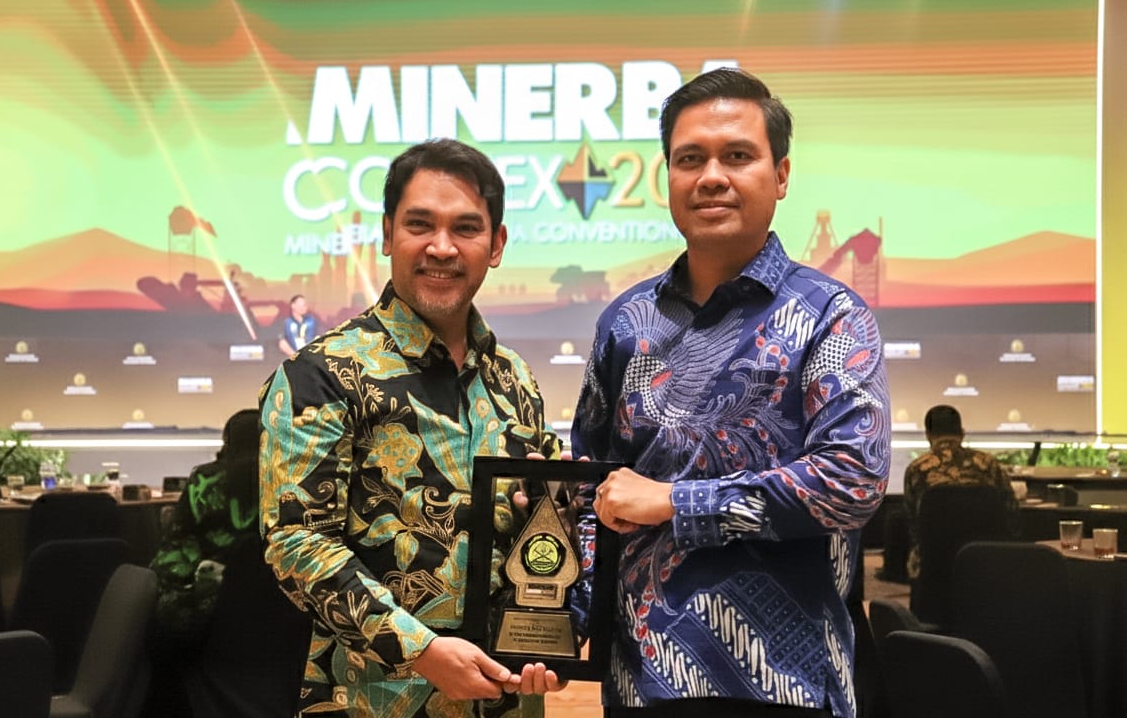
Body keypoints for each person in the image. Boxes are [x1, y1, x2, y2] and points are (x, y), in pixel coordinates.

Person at [570, 68, 891, 718]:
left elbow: (852, 480)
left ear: (781, 175)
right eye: (690, 159)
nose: (711, 176)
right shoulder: (625, 323)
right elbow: (588, 490)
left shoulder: (830, 315)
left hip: (787, 687)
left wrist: (673, 503)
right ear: (668, 176)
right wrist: (555, 619)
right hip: (639, 684)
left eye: (737, 156)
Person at [258, 138, 565, 717]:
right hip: (370, 699)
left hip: (506, 697)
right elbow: (297, 546)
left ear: (497, 244)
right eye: (420, 224)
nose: (441, 247)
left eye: (466, 228)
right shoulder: (322, 375)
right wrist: (420, 651)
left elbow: (540, 522)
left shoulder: (514, 379)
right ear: (386, 234)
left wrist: (558, 507)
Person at [146, 407, 264, 717]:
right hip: (277, 618)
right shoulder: (295, 480)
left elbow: (173, 554)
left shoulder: (205, 481)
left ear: (227, 442)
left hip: (209, 615)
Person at [902, 404, 1015, 583]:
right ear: (962, 433)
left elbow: (913, 523)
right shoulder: (988, 464)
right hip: (986, 562)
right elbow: (1011, 512)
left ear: (928, 435)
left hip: (933, 565)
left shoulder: (917, 469)